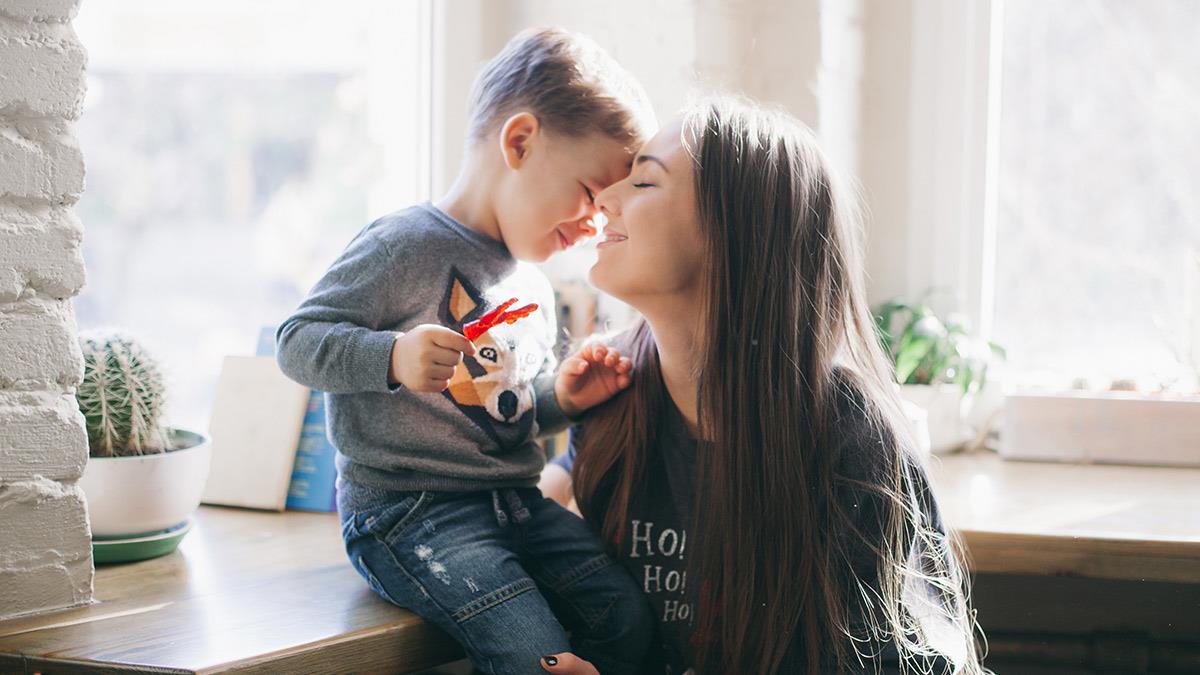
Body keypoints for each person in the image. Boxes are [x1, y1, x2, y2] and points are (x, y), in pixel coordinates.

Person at [538, 97, 988, 674]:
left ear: (736, 234)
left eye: (644, 181)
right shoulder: (615, 396)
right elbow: (524, 514)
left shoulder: (854, 443)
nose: (604, 198)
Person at [276, 28, 657, 675]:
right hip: (409, 512)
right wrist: (392, 357)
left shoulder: (532, 284)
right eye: (593, 191)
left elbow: (500, 417)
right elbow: (297, 342)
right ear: (520, 141)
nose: (599, 220)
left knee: (629, 623)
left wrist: (562, 397)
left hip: (515, 504)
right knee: (535, 654)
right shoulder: (405, 244)